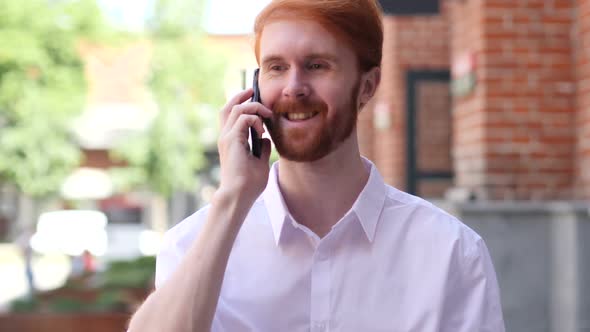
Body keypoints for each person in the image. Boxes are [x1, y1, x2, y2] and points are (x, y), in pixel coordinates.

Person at [129, 1, 505, 331]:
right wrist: (231, 200)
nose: (294, 87)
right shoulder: (194, 242)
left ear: (367, 86)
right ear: (255, 89)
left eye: (317, 65)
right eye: (276, 67)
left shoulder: (451, 252)